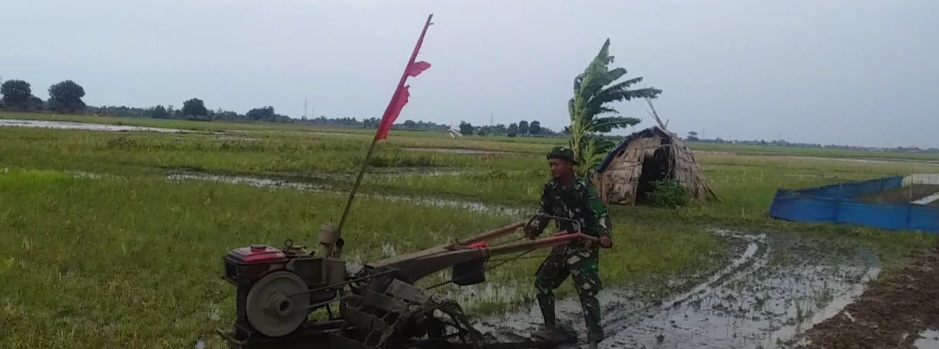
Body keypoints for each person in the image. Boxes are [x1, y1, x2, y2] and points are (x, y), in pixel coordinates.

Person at [524, 145, 613, 348]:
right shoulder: (551, 188)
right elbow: (545, 211)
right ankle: (550, 328)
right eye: (551, 165)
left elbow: (600, 213)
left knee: (586, 290)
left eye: (556, 164)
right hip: (562, 244)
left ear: (570, 166)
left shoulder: (583, 188)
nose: (552, 168)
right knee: (542, 282)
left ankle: (594, 336)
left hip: (583, 245)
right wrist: (535, 228)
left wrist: (605, 235)